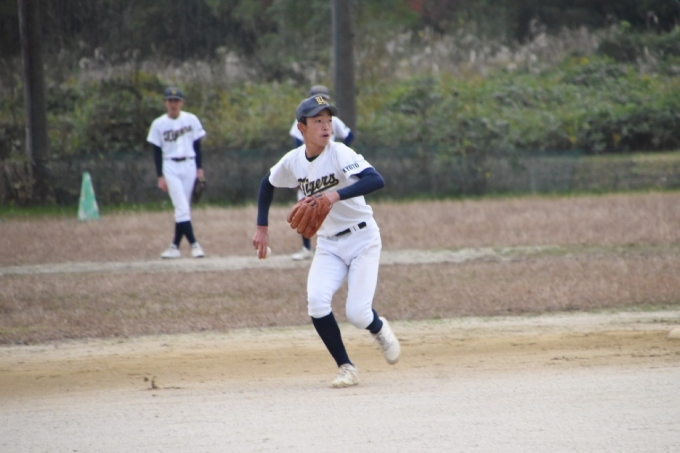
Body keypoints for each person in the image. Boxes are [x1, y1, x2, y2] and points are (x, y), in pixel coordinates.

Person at [252, 94, 400, 388]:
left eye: (329, 120)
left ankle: (378, 328)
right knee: (317, 303)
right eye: (317, 120)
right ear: (301, 128)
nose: (326, 126)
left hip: (362, 238)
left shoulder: (339, 152)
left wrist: (334, 195)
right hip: (329, 245)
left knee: (357, 314)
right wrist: (262, 228)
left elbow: (376, 179)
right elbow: (266, 184)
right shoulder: (294, 161)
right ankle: (346, 367)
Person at [288, 85, 354, 261]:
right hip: (309, 166)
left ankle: (342, 244)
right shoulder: (302, 122)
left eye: (323, 99)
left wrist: (342, 151)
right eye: (317, 99)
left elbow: (349, 135)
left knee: (335, 205)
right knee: (305, 207)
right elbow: (297, 146)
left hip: (330, 167)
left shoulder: (334, 121)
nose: (321, 102)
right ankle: (306, 248)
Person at [147, 87, 206, 259]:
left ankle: (174, 247)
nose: (173, 104)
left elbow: (197, 146)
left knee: (183, 209)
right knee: (182, 208)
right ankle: (194, 245)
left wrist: (199, 169)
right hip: (170, 166)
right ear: (165, 103)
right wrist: (160, 176)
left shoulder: (191, 119)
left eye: (176, 100)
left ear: (182, 102)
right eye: (170, 100)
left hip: (189, 164)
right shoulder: (158, 124)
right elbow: (156, 152)